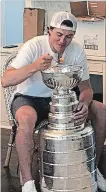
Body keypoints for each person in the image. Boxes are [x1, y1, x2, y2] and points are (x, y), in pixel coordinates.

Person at [1, 11, 106, 192]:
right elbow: (6, 80)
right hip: (29, 98)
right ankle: (27, 182)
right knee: (26, 119)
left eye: (68, 36)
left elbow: (86, 88)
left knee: (101, 109)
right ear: (49, 30)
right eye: (58, 34)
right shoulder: (33, 46)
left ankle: (93, 169)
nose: (63, 41)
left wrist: (85, 102)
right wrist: (35, 66)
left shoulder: (77, 50)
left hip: (64, 98)